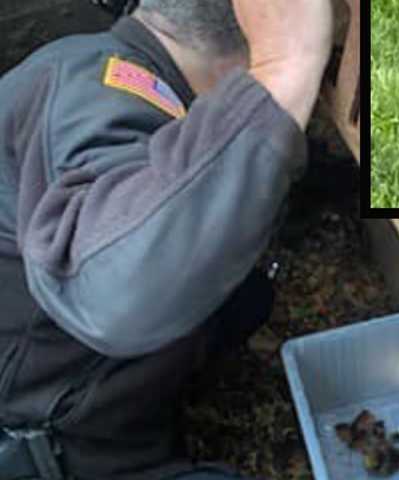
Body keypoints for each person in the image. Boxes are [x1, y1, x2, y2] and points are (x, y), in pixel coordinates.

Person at [0, 0, 334, 478]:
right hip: (41, 443)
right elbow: (117, 296)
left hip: (67, 383)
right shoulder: (90, 96)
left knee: (246, 295)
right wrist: (287, 65)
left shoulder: (100, 68)